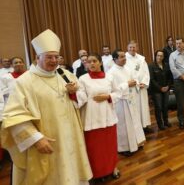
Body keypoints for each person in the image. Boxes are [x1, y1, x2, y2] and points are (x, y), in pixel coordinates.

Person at [1, 29, 92, 184]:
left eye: (56, 57)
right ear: (37, 57)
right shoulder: (24, 82)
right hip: (46, 143)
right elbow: (12, 116)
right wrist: (35, 138)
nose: (54, 60)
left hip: (70, 138)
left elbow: (81, 98)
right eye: (49, 57)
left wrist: (74, 94)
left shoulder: (65, 75)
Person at [77, 53, 119, 180]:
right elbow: (81, 97)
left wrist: (108, 96)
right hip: (91, 119)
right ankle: (96, 173)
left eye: (94, 61)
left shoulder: (110, 77)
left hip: (108, 117)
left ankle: (112, 168)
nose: (91, 64)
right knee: (94, 149)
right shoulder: (83, 79)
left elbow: (118, 93)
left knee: (109, 146)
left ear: (100, 63)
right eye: (88, 62)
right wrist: (72, 94)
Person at [107, 49, 145, 155]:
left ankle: (137, 143)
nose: (125, 59)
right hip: (121, 103)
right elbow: (111, 90)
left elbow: (134, 78)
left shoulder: (127, 68)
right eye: (122, 57)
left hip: (131, 99)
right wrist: (126, 84)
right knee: (124, 126)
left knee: (134, 123)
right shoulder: (111, 72)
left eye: (124, 56)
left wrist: (136, 82)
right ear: (115, 59)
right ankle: (124, 148)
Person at [125, 40, 152, 133]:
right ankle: (137, 128)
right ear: (127, 48)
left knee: (144, 107)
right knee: (135, 108)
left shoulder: (141, 58)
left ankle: (145, 126)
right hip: (133, 88)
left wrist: (144, 83)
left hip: (142, 87)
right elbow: (126, 73)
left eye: (134, 47)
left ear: (137, 48)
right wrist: (136, 83)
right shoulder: (124, 58)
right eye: (130, 47)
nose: (132, 49)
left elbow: (146, 72)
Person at [148, 50, 173, 130]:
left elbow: (170, 77)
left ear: (163, 57)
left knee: (165, 106)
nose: (159, 57)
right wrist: (160, 88)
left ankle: (166, 121)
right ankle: (160, 124)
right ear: (155, 56)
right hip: (156, 91)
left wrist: (168, 86)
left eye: (161, 56)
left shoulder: (166, 65)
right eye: (158, 55)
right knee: (158, 107)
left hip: (166, 89)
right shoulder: (151, 66)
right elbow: (152, 80)